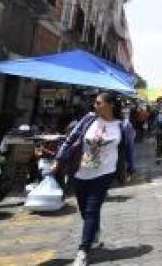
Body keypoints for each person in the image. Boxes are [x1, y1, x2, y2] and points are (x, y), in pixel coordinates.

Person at [53, 92, 135, 266]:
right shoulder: (88, 119)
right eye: (95, 103)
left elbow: (129, 148)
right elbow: (71, 139)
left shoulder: (123, 125)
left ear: (110, 105)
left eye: (99, 103)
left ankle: (83, 251)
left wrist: (130, 168)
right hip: (81, 171)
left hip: (104, 173)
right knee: (84, 210)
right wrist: (58, 160)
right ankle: (94, 231)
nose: (95, 106)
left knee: (91, 209)